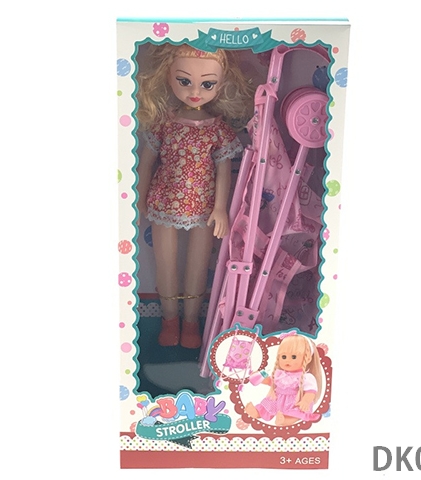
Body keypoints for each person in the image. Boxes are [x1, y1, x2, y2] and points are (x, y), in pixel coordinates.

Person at [136, 44, 254, 348]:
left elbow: (224, 171)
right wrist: (139, 199)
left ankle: (190, 322)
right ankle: (169, 319)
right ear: (168, 76)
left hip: (204, 207)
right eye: (184, 81)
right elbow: (146, 163)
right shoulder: (164, 124)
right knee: (165, 263)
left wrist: (220, 209)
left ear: (222, 83)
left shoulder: (217, 129)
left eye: (208, 84)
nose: (195, 92)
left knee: (198, 265)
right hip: (163, 201)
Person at [244, 332, 323, 425]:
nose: (287, 360)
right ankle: (258, 413)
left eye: (293, 357)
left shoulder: (306, 377)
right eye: (284, 357)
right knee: (267, 405)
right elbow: (271, 382)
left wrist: (306, 401)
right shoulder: (280, 374)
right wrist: (260, 378)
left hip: (293, 401)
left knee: (296, 412)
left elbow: (311, 391)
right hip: (277, 398)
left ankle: (285, 420)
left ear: (308, 358)